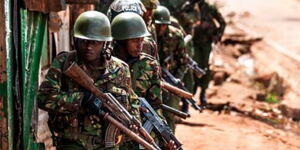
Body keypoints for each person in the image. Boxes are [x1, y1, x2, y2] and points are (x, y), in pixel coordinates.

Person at [37, 11, 139, 150]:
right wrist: (81, 99)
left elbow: (132, 102)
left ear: (105, 43)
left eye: (95, 42)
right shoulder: (64, 62)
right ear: (76, 40)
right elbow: (44, 98)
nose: (88, 47)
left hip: (107, 145)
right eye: (84, 41)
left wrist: (132, 122)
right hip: (72, 143)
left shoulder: (120, 69)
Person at [111, 12, 174, 149]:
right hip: (112, 129)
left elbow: (155, 107)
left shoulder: (149, 65)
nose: (140, 45)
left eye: (141, 40)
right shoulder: (106, 64)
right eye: (135, 41)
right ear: (121, 41)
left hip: (139, 130)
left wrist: (164, 139)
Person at [154, 5, 188, 132]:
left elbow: (183, 62)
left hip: (170, 80)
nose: (161, 28)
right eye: (158, 25)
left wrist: (176, 78)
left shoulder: (176, 35)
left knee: (169, 116)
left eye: (164, 25)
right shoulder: (149, 35)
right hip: (153, 81)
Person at [192, 1, 226, 106]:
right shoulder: (191, 6)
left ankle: (203, 93)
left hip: (206, 43)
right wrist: (196, 25)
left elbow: (223, 23)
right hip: (194, 42)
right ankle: (192, 92)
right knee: (194, 67)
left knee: (205, 67)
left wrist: (217, 35)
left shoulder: (210, 8)